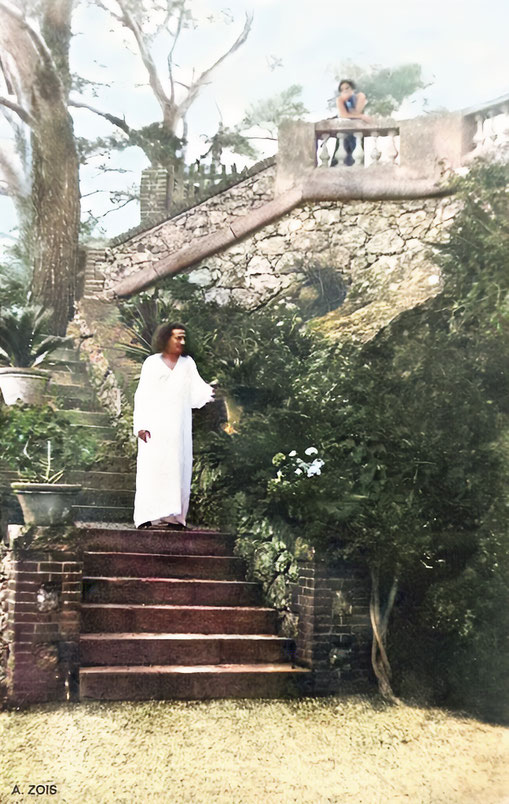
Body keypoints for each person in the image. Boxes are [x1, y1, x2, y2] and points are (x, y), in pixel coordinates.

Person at [133, 322, 214, 529]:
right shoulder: (151, 363)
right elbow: (142, 396)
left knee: (178, 469)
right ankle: (146, 516)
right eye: (178, 337)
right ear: (165, 338)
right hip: (154, 427)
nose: (182, 342)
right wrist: (141, 425)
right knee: (151, 469)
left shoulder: (187, 364)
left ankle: (175, 517)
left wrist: (214, 391)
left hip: (178, 427)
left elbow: (199, 392)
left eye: (184, 338)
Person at [333, 79, 371, 166]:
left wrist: (350, 101)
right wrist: (361, 117)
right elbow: (343, 115)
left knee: (356, 158)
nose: (345, 90)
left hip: (356, 131)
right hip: (344, 131)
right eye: (342, 89)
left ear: (352, 89)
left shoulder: (359, 96)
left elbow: (357, 111)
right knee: (341, 159)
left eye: (347, 88)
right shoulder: (340, 100)